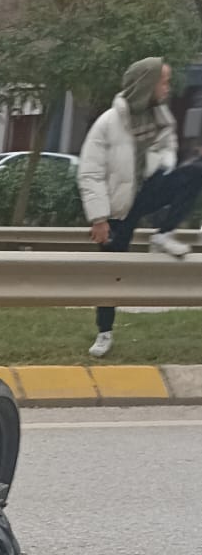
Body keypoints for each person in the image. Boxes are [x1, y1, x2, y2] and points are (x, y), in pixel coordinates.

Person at [78, 56, 202, 359]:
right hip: (117, 208)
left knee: (196, 172)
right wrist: (99, 219)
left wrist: (166, 168)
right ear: (147, 83)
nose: (168, 87)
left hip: (146, 191)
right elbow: (89, 172)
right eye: (164, 81)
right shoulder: (108, 123)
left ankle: (164, 233)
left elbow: (168, 146)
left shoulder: (161, 116)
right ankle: (104, 332)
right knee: (112, 272)